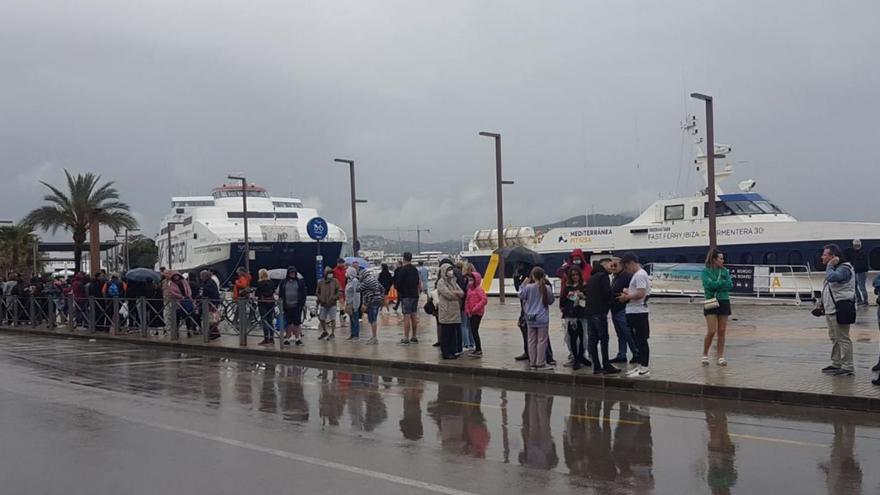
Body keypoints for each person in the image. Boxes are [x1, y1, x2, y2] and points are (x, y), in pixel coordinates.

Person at [820, 244, 856, 376]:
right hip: (831, 309)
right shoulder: (835, 269)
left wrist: (829, 265)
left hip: (840, 309)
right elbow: (827, 288)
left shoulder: (843, 269)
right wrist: (821, 304)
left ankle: (848, 366)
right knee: (834, 338)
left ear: (833, 257)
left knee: (843, 338)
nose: (822, 256)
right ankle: (836, 363)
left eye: (825, 254)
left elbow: (832, 278)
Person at [617, 253, 651, 378]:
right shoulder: (638, 275)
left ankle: (645, 368)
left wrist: (627, 296)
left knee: (641, 340)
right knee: (637, 339)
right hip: (634, 311)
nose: (626, 270)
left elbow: (641, 293)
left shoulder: (640, 275)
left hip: (639, 312)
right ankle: (641, 366)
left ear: (631, 263)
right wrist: (629, 292)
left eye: (626, 267)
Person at [585, 259, 619, 374]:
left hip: (590, 312)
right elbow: (607, 294)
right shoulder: (603, 277)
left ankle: (596, 366)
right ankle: (606, 364)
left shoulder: (592, 277)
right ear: (603, 264)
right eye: (610, 264)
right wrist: (615, 300)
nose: (612, 267)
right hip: (600, 312)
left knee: (593, 339)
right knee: (604, 339)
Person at [701, 248, 734, 366]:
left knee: (722, 331)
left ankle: (720, 356)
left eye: (723, 258)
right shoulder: (706, 272)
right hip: (711, 301)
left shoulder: (725, 271)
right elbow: (708, 285)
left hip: (724, 300)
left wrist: (717, 284)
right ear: (714, 260)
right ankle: (705, 354)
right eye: (720, 258)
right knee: (711, 331)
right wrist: (721, 283)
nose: (723, 261)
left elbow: (730, 285)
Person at [519, 266, 555, 371]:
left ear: (533, 276)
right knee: (542, 341)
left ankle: (532, 362)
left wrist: (523, 284)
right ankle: (540, 363)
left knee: (531, 340)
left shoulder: (528, 287)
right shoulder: (546, 288)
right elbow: (551, 301)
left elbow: (521, 295)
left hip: (530, 317)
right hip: (542, 317)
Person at [609, 259, 638, 364]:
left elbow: (634, 290)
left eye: (615, 265)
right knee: (620, 333)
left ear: (622, 265)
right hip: (615, 308)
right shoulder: (616, 277)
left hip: (623, 308)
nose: (612, 267)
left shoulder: (627, 276)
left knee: (627, 332)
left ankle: (636, 353)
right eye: (611, 265)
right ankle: (621, 355)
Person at [560, 267, 590, 370]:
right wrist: (568, 297)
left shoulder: (584, 286)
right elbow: (562, 301)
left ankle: (582, 356)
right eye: (573, 275)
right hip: (571, 314)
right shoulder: (567, 287)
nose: (575, 277)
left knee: (584, 337)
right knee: (572, 338)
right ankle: (575, 358)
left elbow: (589, 299)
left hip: (582, 314)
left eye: (577, 275)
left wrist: (583, 296)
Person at [436, 263, 464, 359]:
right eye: (448, 270)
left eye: (451, 269)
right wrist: (456, 293)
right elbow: (447, 294)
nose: (450, 271)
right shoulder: (441, 282)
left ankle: (453, 351)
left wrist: (456, 293)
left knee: (453, 333)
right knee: (446, 334)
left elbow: (462, 293)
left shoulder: (453, 281)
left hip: (455, 311)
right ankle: (446, 353)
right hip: (446, 311)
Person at [394, 252, 422, 344]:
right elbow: (418, 282)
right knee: (414, 316)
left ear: (404, 259)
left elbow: (397, 284)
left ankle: (406, 337)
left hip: (406, 295)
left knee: (406, 316)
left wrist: (399, 289)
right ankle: (414, 336)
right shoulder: (415, 270)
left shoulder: (402, 270)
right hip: (414, 295)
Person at [277, 266, 307, 347]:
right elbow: (280, 293)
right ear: (288, 273)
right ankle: (287, 338)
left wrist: (302, 304)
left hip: (297, 306)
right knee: (288, 323)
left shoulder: (300, 282)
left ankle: (298, 339)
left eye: (294, 272)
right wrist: (281, 303)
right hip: (286, 305)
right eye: (291, 272)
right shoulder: (283, 282)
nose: (293, 274)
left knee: (297, 323)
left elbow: (304, 293)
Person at [358, 268, 385, 345]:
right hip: (377, 301)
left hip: (371, 302)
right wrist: (381, 297)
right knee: (374, 319)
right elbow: (383, 289)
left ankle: (374, 338)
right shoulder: (374, 280)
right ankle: (374, 337)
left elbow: (358, 289)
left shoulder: (366, 281)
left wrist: (358, 282)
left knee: (372, 320)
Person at [464, 271, 488, 357]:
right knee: (473, 330)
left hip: (477, 313)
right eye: (469, 280)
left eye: (472, 280)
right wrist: (467, 310)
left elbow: (484, 300)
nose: (470, 281)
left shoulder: (479, 289)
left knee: (474, 330)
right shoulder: (469, 289)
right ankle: (477, 348)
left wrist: (475, 308)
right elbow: (467, 300)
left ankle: (478, 349)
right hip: (471, 313)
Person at [316, 266, 341, 341]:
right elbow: (317, 292)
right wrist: (320, 299)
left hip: (332, 303)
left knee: (333, 319)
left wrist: (333, 298)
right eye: (328, 273)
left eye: (331, 273)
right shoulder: (321, 282)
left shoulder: (335, 281)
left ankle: (332, 333)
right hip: (323, 303)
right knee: (321, 318)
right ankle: (325, 331)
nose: (330, 275)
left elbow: (339, 291)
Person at [197, 270, 221, 340]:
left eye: (201, 276)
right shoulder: (209, 281)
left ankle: (214, 333)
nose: (200, 277)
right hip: (210, 302)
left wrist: (202, 296)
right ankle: (212, 332)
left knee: (210, 318)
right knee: (209, 318)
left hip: (210, 303)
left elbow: (208, 292)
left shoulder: (209, 283)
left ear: (205, 276)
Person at [255, 268, 276, 345]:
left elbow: (257, 293)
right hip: (271, 303)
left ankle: (266, 338)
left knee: (264, 320)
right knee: (270, 320)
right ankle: (272, 338)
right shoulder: (271, 282)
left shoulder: (260, 283)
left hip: (263, 303)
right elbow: (273, 291)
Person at [344, 267, 361, 341]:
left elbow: (356, 294)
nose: (346, 273)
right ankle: (352, 334)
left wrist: (356, 305)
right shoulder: (349, 281)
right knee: (351, 319)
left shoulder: (355, 281)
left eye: (347, 272)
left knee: (355, 319)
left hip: (353, 303)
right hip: (349, 303)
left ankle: (356, 335)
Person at [851, 239, 869, 306]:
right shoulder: (857, 253)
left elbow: (862, 264)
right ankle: (859, 300)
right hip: (856, 271)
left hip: (861, 272)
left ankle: (865, 301)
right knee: (855, 286)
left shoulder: (861, 253)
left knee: (862, 287)